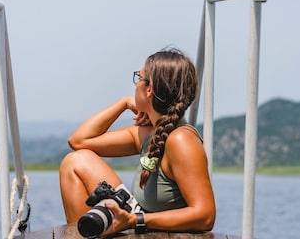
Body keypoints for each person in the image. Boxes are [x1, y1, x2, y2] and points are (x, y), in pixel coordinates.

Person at [59, 46, 216, 237]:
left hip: (158, 230)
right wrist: (124, 103)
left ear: (149, 89)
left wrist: (136, 220)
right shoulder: (149, 133)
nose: (135, 84)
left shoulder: (181, 140)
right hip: (139, 219)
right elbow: (79, 141)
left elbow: (205, 216)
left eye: (138, 78)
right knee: (75, 162)